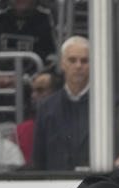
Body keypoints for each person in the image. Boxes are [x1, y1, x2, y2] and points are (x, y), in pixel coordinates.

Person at [32, 35, 89, 170]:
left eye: (84, 60)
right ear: (63, 64)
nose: (78, 65)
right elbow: (38, 158)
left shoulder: (108, 106)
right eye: (72, 60)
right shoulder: (46, 107)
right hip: (54, 186)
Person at [0, 0, 57, 89]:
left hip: (35, 85)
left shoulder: (49, 16)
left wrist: (29, 78)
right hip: (0, 84)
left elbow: (55, 57)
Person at [12, 70, 59, 164]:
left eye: (40, 90)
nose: (33, 95)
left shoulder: (68, 124)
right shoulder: (20, 131)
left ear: (56, 93)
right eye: (32, 91)